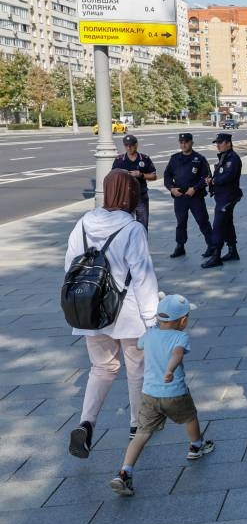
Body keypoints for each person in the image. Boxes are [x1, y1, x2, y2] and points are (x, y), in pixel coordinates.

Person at [65, 169, 159, 458]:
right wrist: (152, 320)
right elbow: (143, 277)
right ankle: (135, 426)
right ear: (130, 194)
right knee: (136, 370)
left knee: (101, 368)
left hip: (91, 311)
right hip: (127, 313)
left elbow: (70, 266)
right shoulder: (132, 229)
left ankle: (86, 423)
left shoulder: (82, 224)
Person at [109, 293, 215, 497]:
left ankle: (124, 472)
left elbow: (139, 344)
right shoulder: (180, 337)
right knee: (190, 417)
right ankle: (196, 446)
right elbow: (177, 353)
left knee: (142, 433)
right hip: (174, 393)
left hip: (149, 395)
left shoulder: (149, 335)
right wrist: (169, 370)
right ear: (183, 321)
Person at [163, 133, 213, 259]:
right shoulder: (174, 158)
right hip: (180, 196)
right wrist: (171, 188)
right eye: (181, 142)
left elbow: (207, 177)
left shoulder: (199, 158)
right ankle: (180, 246)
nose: (183, 144)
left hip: (195, 196)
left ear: (192, 143)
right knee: (181, 223)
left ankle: (212, 246)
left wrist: (195, 188)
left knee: (202, 221)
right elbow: (167, 176)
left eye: (186, 142)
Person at [202, 132, 243, 268]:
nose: (218, 145)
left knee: (218, 226)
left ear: (228, 143)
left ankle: (216, 255)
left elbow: (227, 176)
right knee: (227, 223)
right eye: (217, 143)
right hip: (223, 196)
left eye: (220, 143)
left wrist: (213, 180)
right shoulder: (225, 157)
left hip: (228, 197)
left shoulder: (232, 158)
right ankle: (233, 251)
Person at [111, 134, 157, 230]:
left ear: (136, 145)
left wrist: (141, 175)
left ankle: (142, 244)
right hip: (125, 198)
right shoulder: (119, 160)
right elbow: (112, 178)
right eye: (126, 145)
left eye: (131, 145)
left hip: (141, 197)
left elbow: (154, 176)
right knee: (125, 225)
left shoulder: (144, 159)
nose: (129, 147)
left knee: (142, 225)